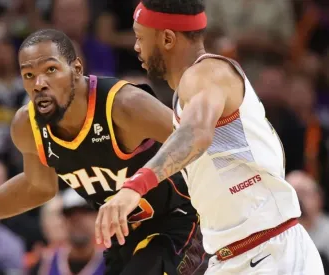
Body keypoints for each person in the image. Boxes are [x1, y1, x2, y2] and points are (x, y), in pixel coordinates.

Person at [0, 29, 205, 275]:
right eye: (29, 75)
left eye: (50, 70)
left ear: (76, 69)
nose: (40, 83)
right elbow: (37, 187)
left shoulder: (124, 105)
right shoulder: (27, 125)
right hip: (125, 238)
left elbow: (199, 139)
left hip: (184, 221)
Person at [94, 0, 325, 274]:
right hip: (234, 256)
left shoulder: (207, 74)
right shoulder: (187, 95)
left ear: (167, 38)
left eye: (140, 37)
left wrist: (135, 186)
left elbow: (196, 134)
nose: (135, 47)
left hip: (270, 251)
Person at [33, 189, 105, 275]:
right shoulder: (45, 262)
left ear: (96, 217)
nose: (78, 219)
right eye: (70, 213)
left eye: (85, 212)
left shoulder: (113, 262)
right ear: (62, 220)